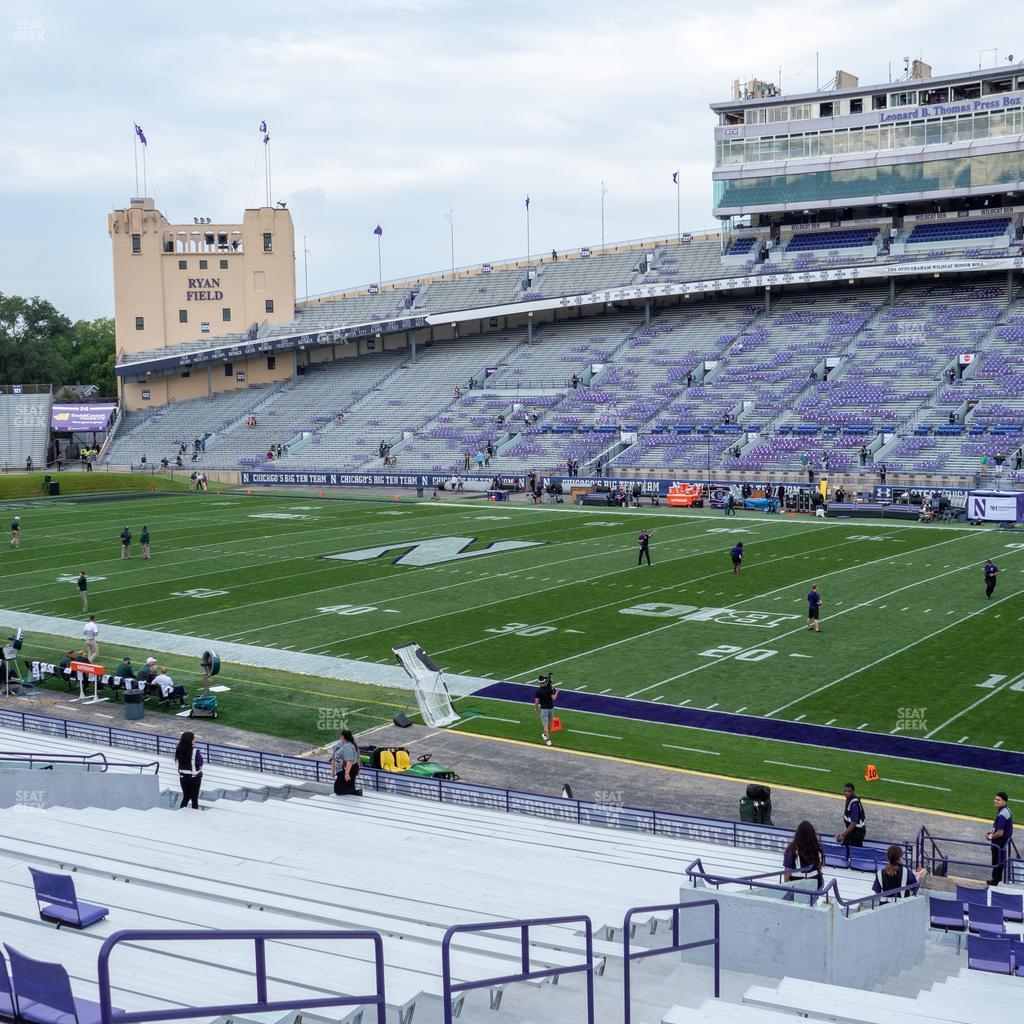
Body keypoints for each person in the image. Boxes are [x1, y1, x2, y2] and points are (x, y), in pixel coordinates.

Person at [782, 820, 824, 890]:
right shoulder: (818, 848)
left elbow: (787, 871)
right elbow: (820, 866)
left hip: (797, 885)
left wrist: (785, 883)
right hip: (816, 883)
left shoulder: (792, 849)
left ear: (798, 833)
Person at [986, 792, 1013, 886]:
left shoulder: (1002, 815)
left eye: (998, 800)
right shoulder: (1006, 810)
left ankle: (995, 880)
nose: (995, 801)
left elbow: (1000, 832)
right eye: (995, 799)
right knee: (999, 860)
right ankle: (996, 879)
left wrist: (990, 837)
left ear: (1004, 801)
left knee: (997, 861)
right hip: (1003, 841)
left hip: (999, 842)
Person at [175, 731, 203, 810]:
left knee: (186, 797)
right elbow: (200, 763)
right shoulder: (195, 752)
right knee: (194, 799)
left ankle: (181, 811)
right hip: (195, 778)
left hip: (183, 777)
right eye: (194, 738)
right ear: (189, 740)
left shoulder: (178, 750)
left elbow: (177, 763)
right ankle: (195, 815)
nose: (195, 740)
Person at [332, 729, 362, 795]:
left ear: (343, 737)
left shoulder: (348, 747)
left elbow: (350, 761)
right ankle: (355, 793)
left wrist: (346, 773)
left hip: (347, 770)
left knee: (338, 790)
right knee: (349, 786)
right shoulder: (348, 745)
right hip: (347, 769)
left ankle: (357, 792)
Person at [836, 782, 866, 847]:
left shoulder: (854, 805)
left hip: (856, 834)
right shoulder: (850, 799)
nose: (846, 793)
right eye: (845, 791)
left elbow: (854, 823)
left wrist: (842, 835)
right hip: (855, 833)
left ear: (853, 792)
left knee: (847, 850)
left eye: (849, 791)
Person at [534, 674, 558, 746]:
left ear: (539, 682)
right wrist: (556, 692)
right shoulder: (549, 689)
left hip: (544, 709)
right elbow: (554, 698)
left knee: (545, 724)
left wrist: (536, 707)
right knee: (549, 724)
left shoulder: (538, 691)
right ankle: (545, 736)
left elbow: (536, 701)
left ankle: (547, 739)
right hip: (551, 708)